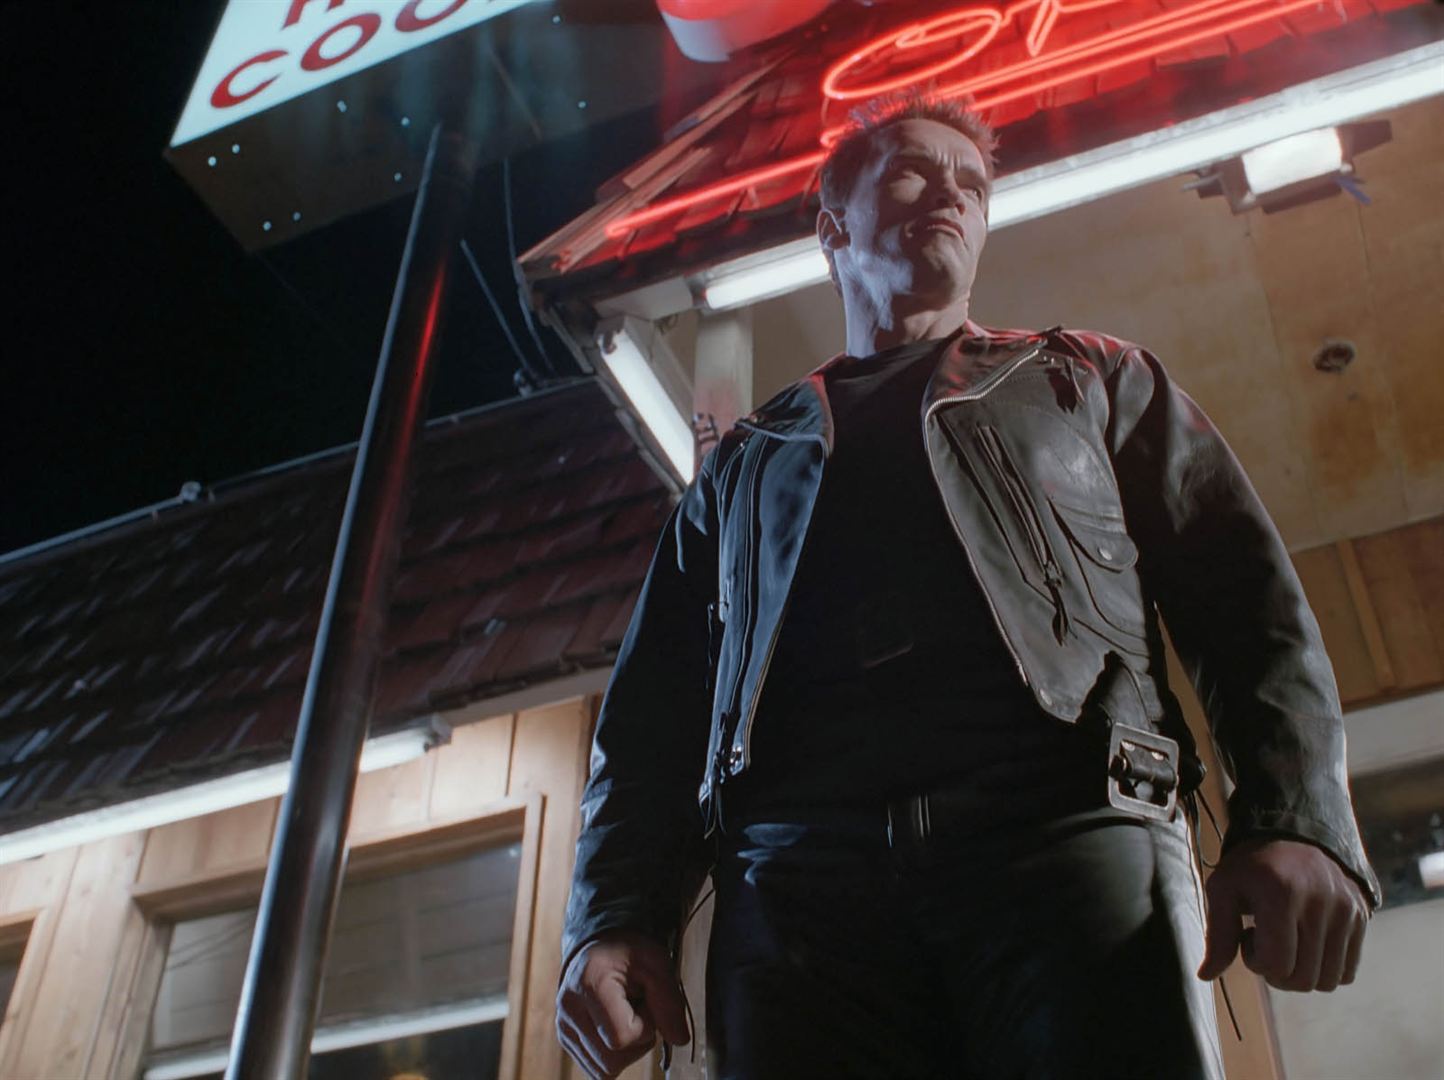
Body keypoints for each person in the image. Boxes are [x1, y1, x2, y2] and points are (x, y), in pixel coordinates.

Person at [555, 93, 1379, 1079]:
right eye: (911, 171)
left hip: (1069, 840)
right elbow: (649, 722)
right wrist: (613, 916)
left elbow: (1248, 603)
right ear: (832, 228)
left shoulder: (1090, 381)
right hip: (796, 891)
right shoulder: (739, 469)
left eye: (972, 185)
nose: (949, 194)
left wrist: (1295, 817)